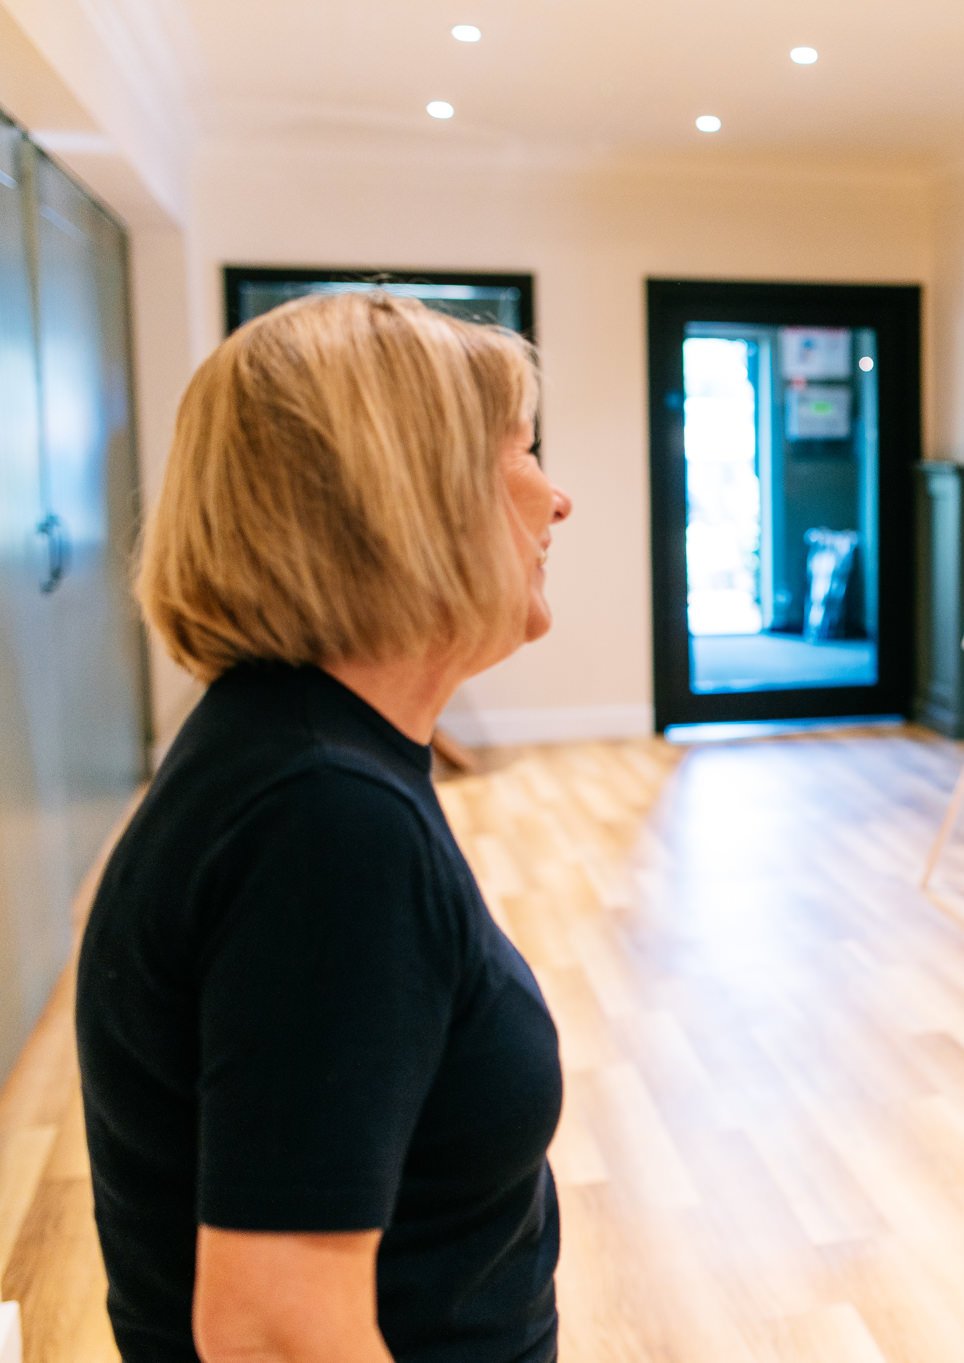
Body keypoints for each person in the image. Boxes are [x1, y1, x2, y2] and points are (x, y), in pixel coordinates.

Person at [76, 291, 573, 1363]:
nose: (556, 498)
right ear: (413, 500)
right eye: (522, 453)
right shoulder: (323, 820)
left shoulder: (292, 751)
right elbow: (273, 1332)